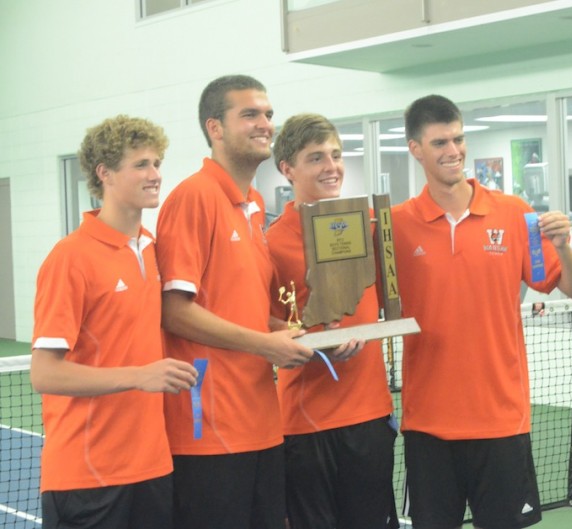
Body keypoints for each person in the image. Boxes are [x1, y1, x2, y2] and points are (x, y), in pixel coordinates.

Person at [155, 75, 359, 529]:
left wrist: (291, 335)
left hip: (261, 425)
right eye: (249, 114)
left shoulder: (251, 203)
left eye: (267, 113)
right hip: (208, 429)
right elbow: (174, 311)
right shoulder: (194, 197)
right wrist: (267, 345)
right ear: (215, 128)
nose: (264, 123)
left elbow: (239, 310)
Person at [391, 94, 572, 529]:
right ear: (415, 149)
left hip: (501, 419)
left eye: (459, 139)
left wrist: (562, 245)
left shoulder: (514, 213)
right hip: (428, 423)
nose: (454, 151)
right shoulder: (396, 225)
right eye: (440, 142)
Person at [30, 115, 199, 529]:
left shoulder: (152, 250)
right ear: (104, 173)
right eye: (141, 164)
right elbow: (45, 374)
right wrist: (139, 376)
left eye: (157, 163)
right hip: (87, 476)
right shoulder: (70, 257)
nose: (155, 174)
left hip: (153, 469)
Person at [267, 113, 399, 529]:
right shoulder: (270, 242)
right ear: (287, 169)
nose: (332, 166)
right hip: (305, 423)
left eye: (337, 155)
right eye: (316, 157)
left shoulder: (371, 227)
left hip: (369, 415)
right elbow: (258, 320)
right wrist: (308, 340)